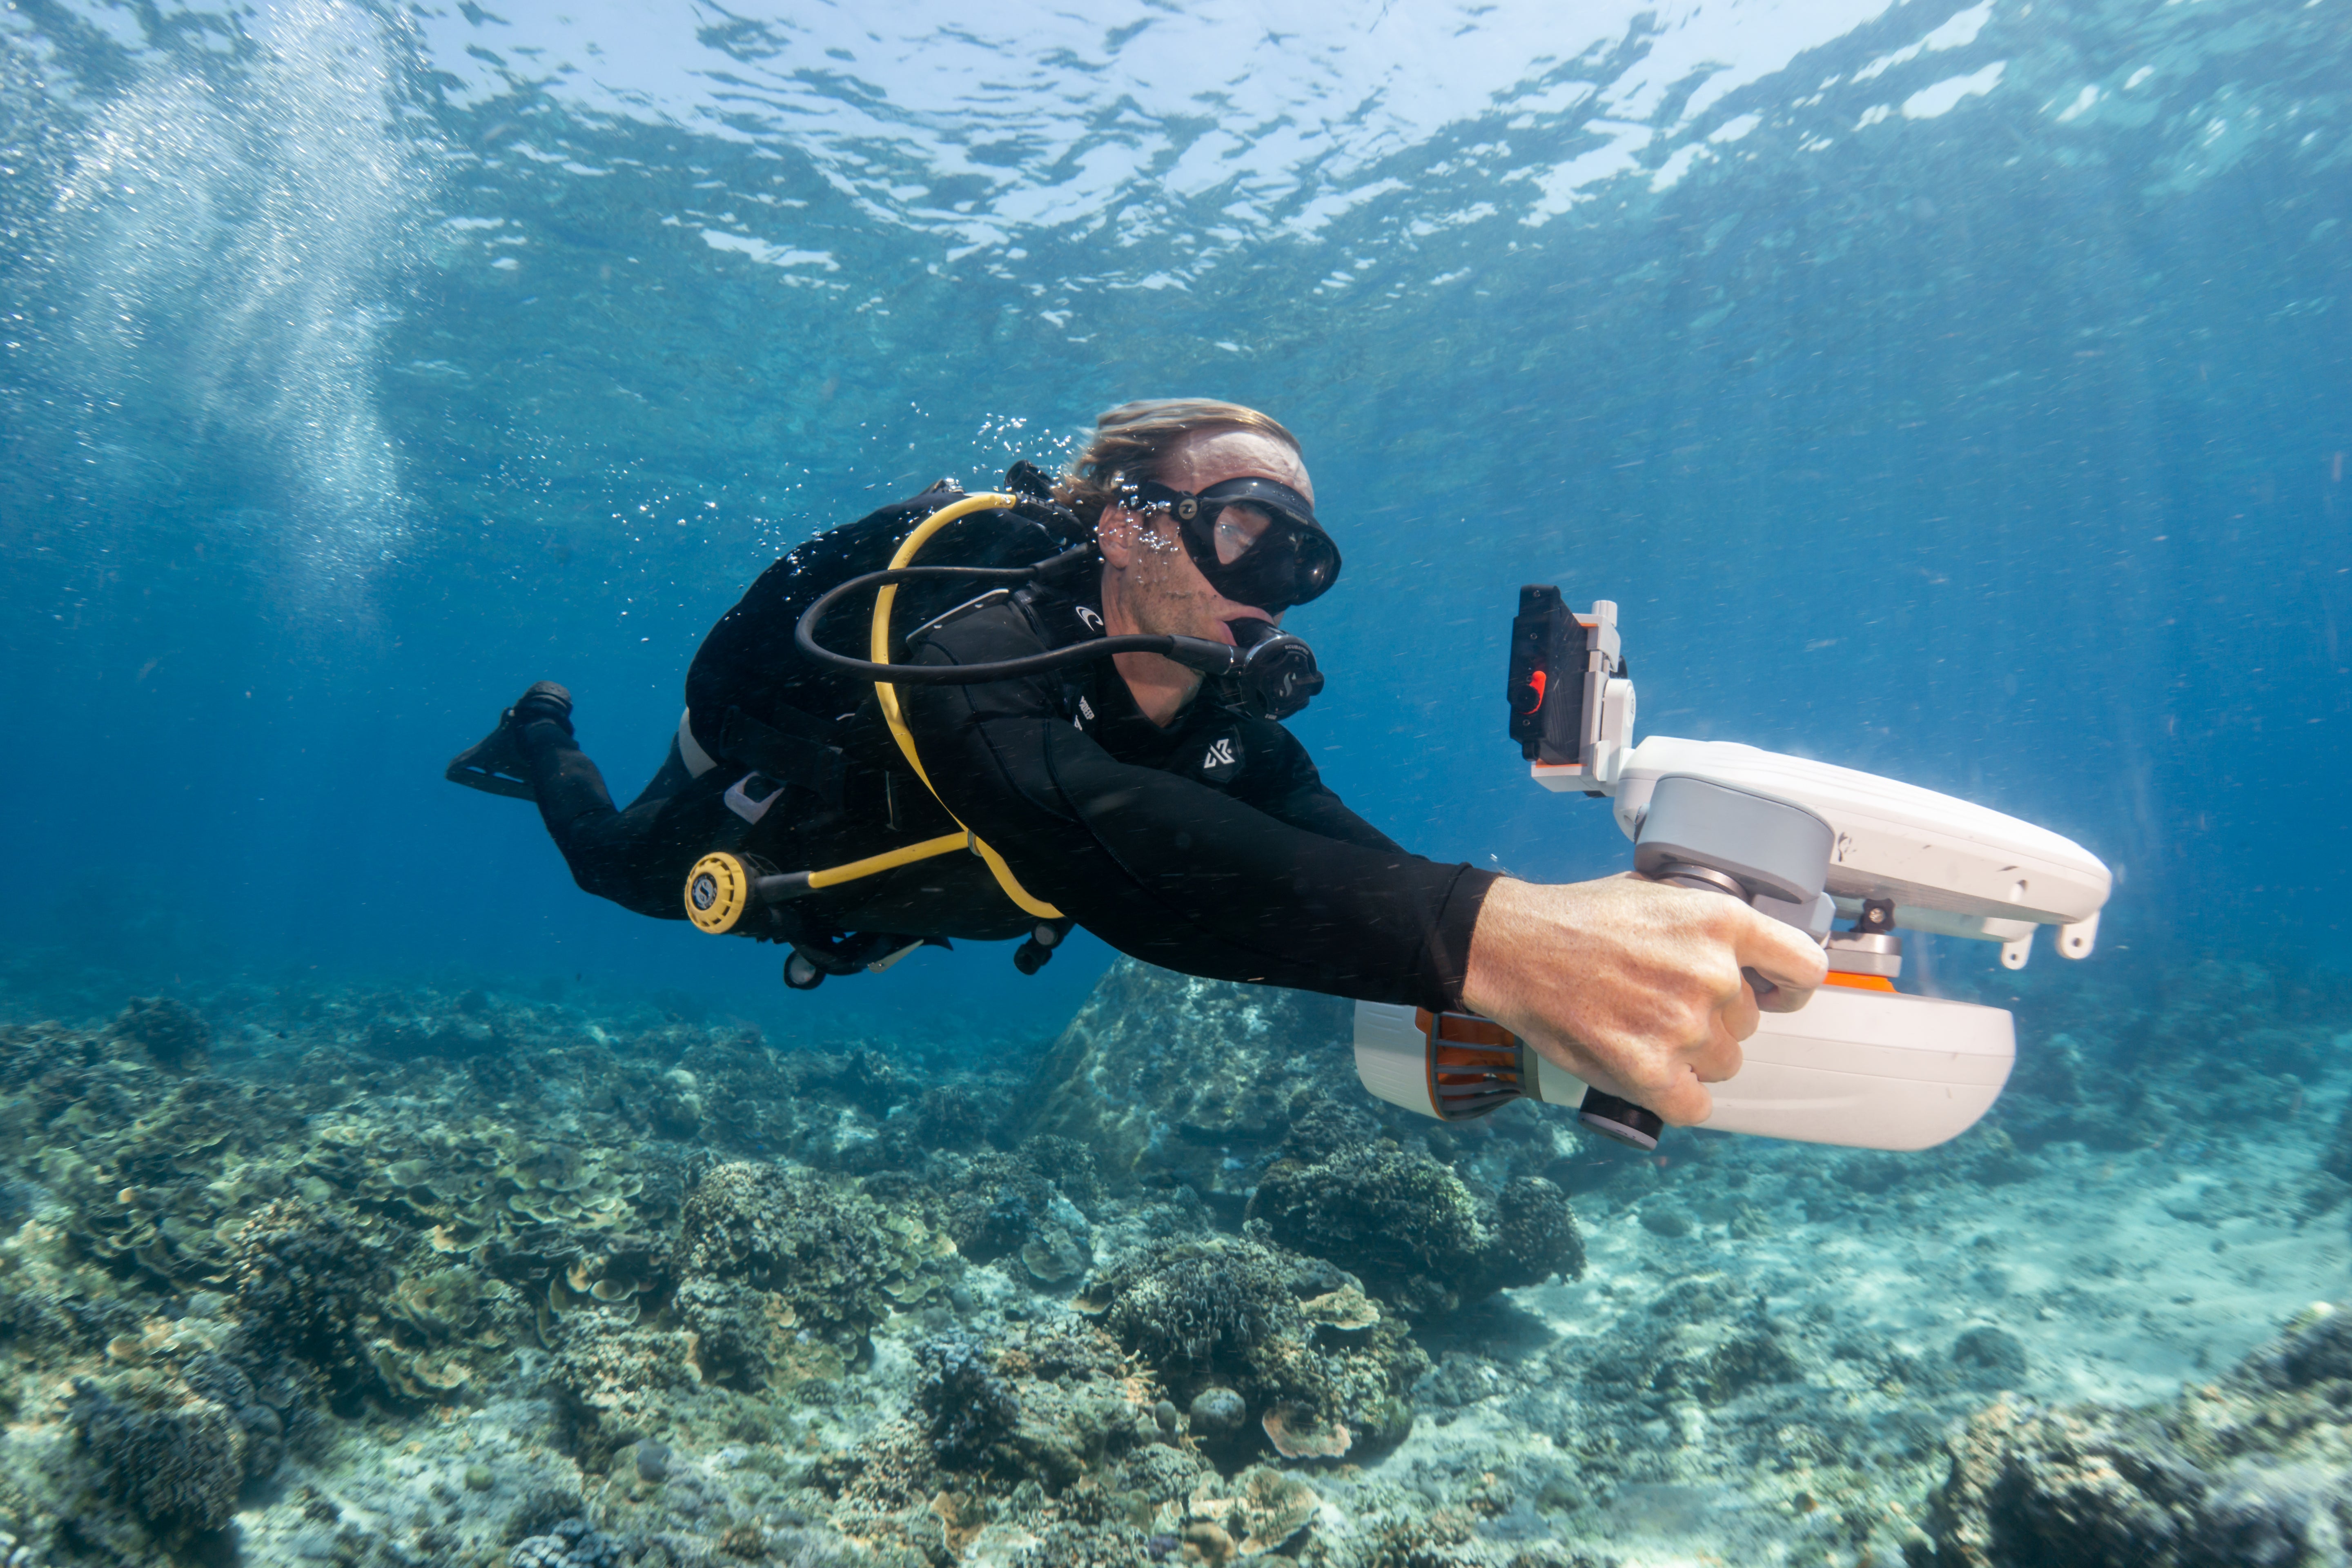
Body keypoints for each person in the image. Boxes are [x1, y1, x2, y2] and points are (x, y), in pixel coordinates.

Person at [448, 399, 1824, 1126]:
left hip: (909, 887)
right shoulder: (966, 639)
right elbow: (1087, 835)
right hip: (779, 788)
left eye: (1306, 560)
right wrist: (1500, 945)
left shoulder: (1214, 708)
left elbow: (1326, 844)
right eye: (1248, 536)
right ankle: (538, 732)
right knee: (618, 873)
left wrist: (1501, 968)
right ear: (1128, 526)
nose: (1278, 588)